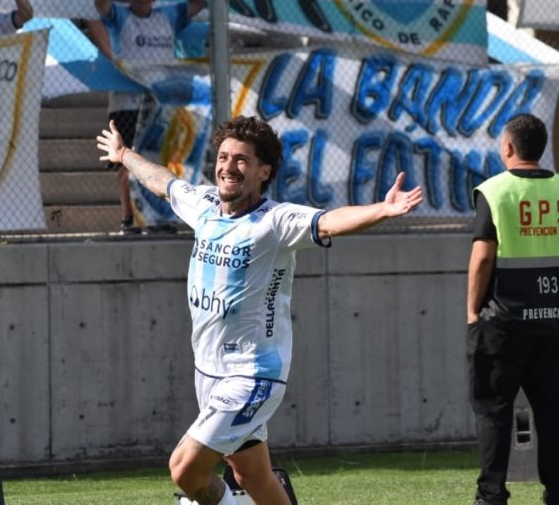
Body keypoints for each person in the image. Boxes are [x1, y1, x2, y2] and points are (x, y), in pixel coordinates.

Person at [97, 115, 423, 505]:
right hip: (208, 373)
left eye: (241, 160)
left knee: (185, 470)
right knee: (253, 476)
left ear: (263, 171)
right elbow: (163, 182)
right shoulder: (203, 205)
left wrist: (380, 211)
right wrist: (123, 154)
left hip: (252, 375)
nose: (228, 167)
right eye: (223, 157)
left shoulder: (276, 221)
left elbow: (329, 222)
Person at [466, 113, 559, 505]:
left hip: (502, 322)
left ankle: (491, 496)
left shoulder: (494, 191)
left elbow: (482, 258)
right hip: (556, 321)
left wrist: (473, 311)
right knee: (553, 412)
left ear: (508, 147)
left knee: (495, 411)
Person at [95, 0, 205, 235]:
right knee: (126, 159)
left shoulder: (166, 16)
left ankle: (158, 218)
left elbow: (198, 3)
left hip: (161, 101)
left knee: (160, 157)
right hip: (127, 101)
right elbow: (99, 5)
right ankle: (129, 218)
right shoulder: (122, 16)